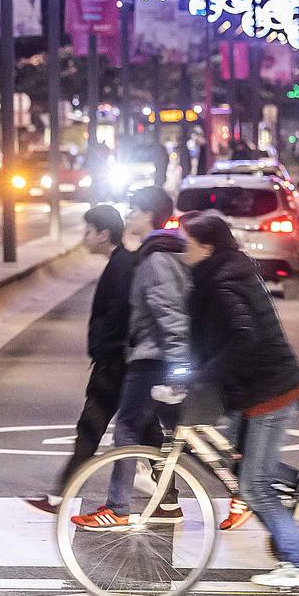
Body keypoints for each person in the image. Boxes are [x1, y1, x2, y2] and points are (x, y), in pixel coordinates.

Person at [174, 211, 299, 587]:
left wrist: (201, 376)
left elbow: (243, 339)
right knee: (240, 463)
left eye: (189, 243)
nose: (183, 249)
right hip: (248, 389)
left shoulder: (222, 284)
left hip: (269, 388)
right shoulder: (219, 273)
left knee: (253, 485)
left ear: (207, 247)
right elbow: (211, 338)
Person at [70, 186, 191, 529]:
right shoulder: (165, 250)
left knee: (126, 428)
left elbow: (169, 316)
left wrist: (179, 368)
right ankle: (172, 499)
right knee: (177, 433)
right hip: (155, 357)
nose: (129, 217)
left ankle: (117, 507)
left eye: (134, 210)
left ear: (150, 215)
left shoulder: (156, 259)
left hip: (153, 359)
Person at [27, 205, 132, 514]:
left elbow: (118, 316)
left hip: (115, 365)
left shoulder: (122, 267)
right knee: (139, 430)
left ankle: (61, 496)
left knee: (91, 427)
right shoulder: (120, 263)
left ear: (103, 234)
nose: (84, 238)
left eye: (87, 231)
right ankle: (167, 499)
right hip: (119, 363)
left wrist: (104, 350)